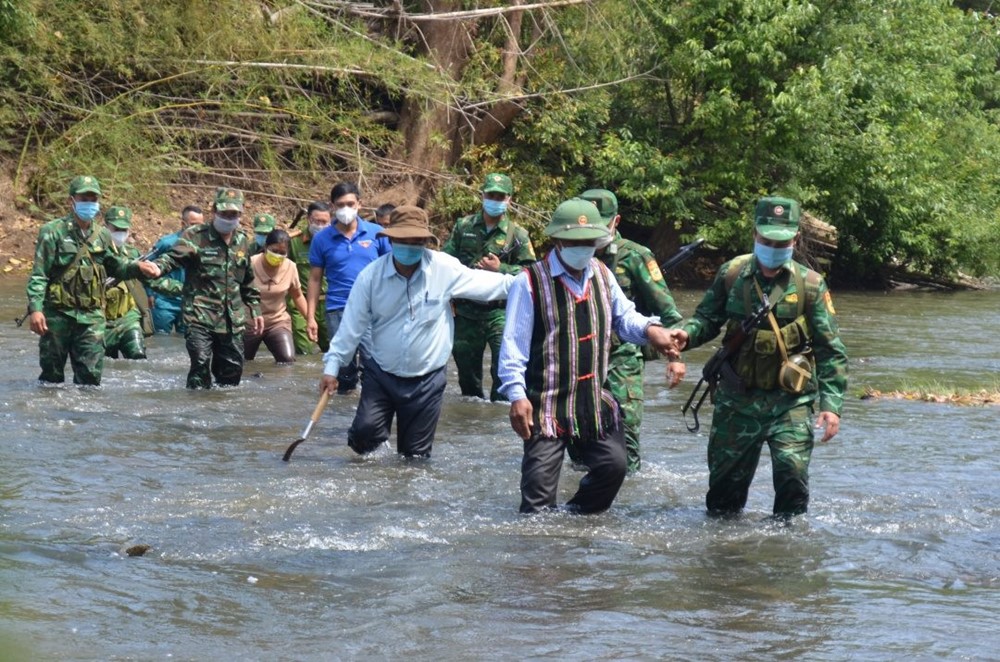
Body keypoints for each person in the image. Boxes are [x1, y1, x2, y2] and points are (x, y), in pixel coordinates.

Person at [666, 197, 848, 519]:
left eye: (781, 241)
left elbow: (830, 348)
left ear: (795, 239)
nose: (774, 247)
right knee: (723, 499)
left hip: (790, 402)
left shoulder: (810, 285)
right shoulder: (732, 274)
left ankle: (784, 553)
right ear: (754, 234)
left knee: (792, 478)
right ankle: (724, 556)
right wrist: (687, 334)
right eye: (767, 240)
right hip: (737, 402)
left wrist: (830, 406)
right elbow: (707, 319)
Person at [498, 198, 681, 514]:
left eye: (589, 242)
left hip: (593, 400)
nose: (582, 248)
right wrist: (517, 395)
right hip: (547, 406)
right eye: (575, 242)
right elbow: (512, 347)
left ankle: (575, 524)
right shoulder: (529, 283)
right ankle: (540, 552)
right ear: (557, 240)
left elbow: (625, 319)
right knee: (536, 506)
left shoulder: (602, 274)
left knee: (614, 466)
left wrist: (654, 332)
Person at [319, 206, 515, 458]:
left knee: (415, 458)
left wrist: (531, 282)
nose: (410, 247)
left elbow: (490, 285)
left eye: (416, 241)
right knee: (364, 438)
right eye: (403, 241)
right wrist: (331, 369)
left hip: (427, 378)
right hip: (382, 372)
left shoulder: (444, 268)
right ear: (391, 240)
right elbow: (350, 328)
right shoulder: (370, 277)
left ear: (425, 242)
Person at [572, 188, 686, 474]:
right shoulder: (569, 254)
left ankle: (626, 503)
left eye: (603, 222)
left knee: (627, 439)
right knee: (578, 439)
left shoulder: (635, 256)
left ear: (616, 221)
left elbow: (669, 312)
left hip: (622, 359)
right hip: (580, 358)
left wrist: (674, 356)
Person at [24, 175, 160, 385]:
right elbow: (39, 274)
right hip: (58, 315)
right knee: (52, 378)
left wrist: (138, 267)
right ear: (72, 201)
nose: (89, 203)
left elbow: (115, 266)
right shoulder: (52, 232)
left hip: (92, 318)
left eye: (93, 199)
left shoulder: (103, 235)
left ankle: (85, 417)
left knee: (90, 380)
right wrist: (36, 310)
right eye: (84, 198)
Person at [151, 187, 264, 389]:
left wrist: (255, 308)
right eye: (224, 213)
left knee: (232, 373)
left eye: (233, 214)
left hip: (231, 320)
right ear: (214, 211)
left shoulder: (242, 241)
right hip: (199, 316)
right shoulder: (196, 236)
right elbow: (172, 259)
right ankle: (196, 413)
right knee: (200, 365)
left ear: (240, 214)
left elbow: (247, 279)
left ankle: (224, 415)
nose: (229, 218)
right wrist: (157, 268)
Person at [443, 173, 536, 401]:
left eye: (500, 196)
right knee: (467, 376)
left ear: (509, 199)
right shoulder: (463, 226)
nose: (495, 199)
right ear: (482, 195)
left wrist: (501, 268)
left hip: (501, 312)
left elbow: (531, 274)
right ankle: (472, 422)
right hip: (465, 311)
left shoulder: (518, 236)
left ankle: (499, 417)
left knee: (504, 371)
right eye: (491, 194)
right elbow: (445, 262)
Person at [307, 182, 391, 394]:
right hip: (338, 309)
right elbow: (315, 279)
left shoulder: (377, 234)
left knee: (375, 364)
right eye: (340, 204)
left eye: (350, 203)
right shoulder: (321, 239)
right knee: (343, 368)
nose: (346, 208)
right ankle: (343, 415)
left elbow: (392, 270)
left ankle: (371, 407)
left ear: (359, 204)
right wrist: (310, 317)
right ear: (332, 206)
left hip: (373, 309)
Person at [244, 229, 309, 363]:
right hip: (250, 322)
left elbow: (297, 296)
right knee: (241, 362)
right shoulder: (250, 264)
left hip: (277, 322)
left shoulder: (291, 267)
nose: (277, 255)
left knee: (287, 360)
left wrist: (310, 320)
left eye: (282, 253)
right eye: (274, 251)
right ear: (266, 247)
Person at [103, 205, 154, 360]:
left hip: (128, 317)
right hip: (100, 320)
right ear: (105, 226)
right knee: (104, 365)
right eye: (116, 228)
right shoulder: (96, 251)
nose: (120, 233)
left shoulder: (133, 253)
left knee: (138, 358)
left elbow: (149, 280)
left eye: (123, 229)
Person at [148, 205, 203, 334]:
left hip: (190, 302)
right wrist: (149, 293)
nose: (198, 229)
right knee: (161, 339)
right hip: (165, 301)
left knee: (187, 340)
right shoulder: (167, 243)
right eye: (193, 224)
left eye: (201, 225)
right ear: (183, 224)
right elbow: (148, 266)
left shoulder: (204, 246)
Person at [287, 201, 331, 355]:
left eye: (324, 222)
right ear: (308, 219)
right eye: (316, 221)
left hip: (329, 304)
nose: (320, 225)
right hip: (301, 303)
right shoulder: (293, 242)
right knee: (304, 353)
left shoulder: (336, 242)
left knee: (332, 351)